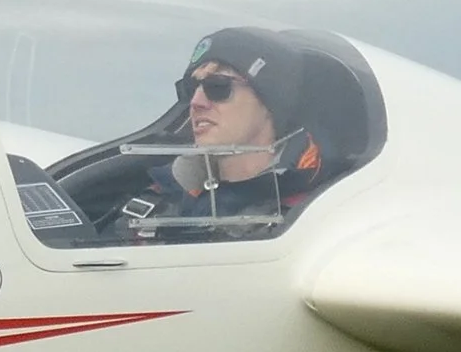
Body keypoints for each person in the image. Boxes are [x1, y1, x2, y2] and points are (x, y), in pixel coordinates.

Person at [118, 27, 327, 240]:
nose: (196, 102)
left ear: (270, 104)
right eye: (191, 88)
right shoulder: (156, 202)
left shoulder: (314, 219)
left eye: (218, 86)